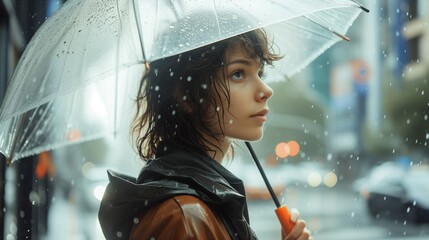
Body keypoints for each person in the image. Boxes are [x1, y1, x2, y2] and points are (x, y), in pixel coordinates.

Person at [98, 28, 312, 240]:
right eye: (238, 73)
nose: (266, 90)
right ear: (186, 96)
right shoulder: (185, 217)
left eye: (260, 73)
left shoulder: (198, 204)